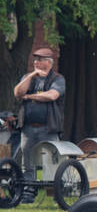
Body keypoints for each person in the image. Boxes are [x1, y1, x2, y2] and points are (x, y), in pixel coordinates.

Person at [11, 46, 65, 203]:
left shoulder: (58, 79)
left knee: (53, 161)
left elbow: (52, 95)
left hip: (49, 128)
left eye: (39, 60)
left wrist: (31, 96)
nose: (36, 62)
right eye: (35, 60)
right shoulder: (29, 77)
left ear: (48, 63)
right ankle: (28, 193)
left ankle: (57, 193)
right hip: (28, 128)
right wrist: (32, 75)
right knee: (27, 162)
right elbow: (17, 93)